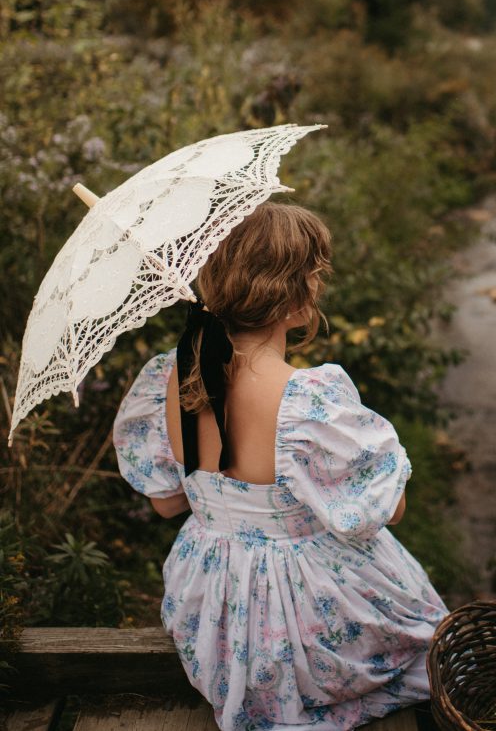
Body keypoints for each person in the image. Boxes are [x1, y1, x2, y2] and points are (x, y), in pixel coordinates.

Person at [113, 201, 447, 731]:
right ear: (293, 298)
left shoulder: (172, 381)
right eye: (314, 274)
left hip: (217, 622)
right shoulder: (307, 401)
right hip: (305, 623)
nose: (318, 285)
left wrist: (226, 497)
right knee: (421, 626)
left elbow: (165, 504)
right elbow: (387, 511)